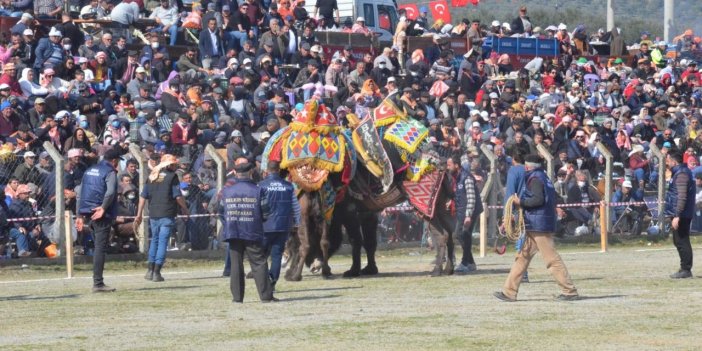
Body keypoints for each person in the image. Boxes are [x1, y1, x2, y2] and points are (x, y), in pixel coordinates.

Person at [494, 154, 579, 302]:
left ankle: (569, 291)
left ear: (528, 167)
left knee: (552, 259)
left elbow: (538, 199)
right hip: (537, 223)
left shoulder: (535, 180)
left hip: (538, 224)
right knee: (522, 258)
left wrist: (520, 202)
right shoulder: (543, 177)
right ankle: (509, 292)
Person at [219, 157, 277, 303]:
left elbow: (220, 211)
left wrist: (229, 223)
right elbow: (266, 212)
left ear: (235, 173)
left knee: (236, 265)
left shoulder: (226, 191)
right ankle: (266, 296)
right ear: (250, 172)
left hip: (233, 231)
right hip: (252, 231)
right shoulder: (258, 190)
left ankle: (237, 298)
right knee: (258, 263)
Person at [135, 154, 189, 282]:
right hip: (167, 213)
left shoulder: (152, 176)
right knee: (162, 242)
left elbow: (143, 197)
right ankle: (157, 272)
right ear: (169, 165)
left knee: (155, 240)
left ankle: (149, 270)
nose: (176, 166)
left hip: (153, 213)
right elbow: (178, 196)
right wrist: (185, 208)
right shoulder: (172, 177)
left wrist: (139, 214)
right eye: (174, 164)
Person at [78, 147, 124, 293]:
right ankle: (98, 283)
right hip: (101, 213)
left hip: (87, 211)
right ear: (114, 161)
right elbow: (110, 192)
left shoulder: (89, 170)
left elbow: (80, 192)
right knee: (100, 248)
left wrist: (79, 214)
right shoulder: (109, 172)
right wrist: (103, 208)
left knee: (98, 246)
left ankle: (98, 282)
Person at [258, 161, 297, 290]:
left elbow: (257, 206)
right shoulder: (289, 186)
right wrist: (297, 222)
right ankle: (272, 282)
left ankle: (263, 282)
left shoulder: (261, 186)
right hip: (283, 226)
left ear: (267, 171)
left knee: (262, 256)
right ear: (279, 170)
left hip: (265, 226)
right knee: (276, 256)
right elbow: (295, 207)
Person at [665, 150, 696, 279]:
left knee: (682, 240)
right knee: (678, 240)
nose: (666, 162)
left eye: (667, 160)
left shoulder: (681, 174)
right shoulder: (678, 173)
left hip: (681, 214)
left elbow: (681, 196)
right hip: (680, 213)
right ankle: (684, 268)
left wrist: (677, 215)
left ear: (674, 161)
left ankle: (686, 269)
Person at [449, 156, 482, 274]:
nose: (448, 167)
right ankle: (470, 262)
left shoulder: (466, 177)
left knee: (464, 234)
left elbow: (471, 198)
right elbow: (459, 194)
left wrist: (468, 215)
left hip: (471, 211)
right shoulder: (457, 177)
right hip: (462, 211)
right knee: (460, 235)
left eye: (449, 165)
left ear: (456, 165)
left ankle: (464, 262)